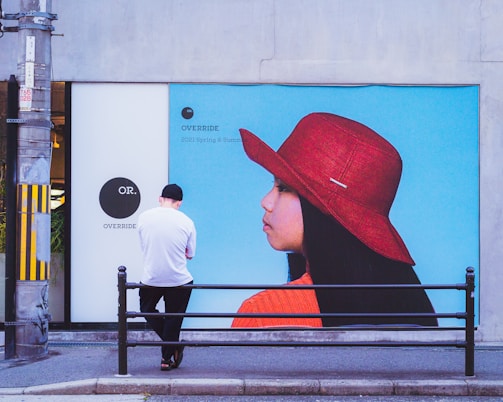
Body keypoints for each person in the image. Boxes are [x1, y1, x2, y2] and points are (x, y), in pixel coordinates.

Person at [231, 112, 437, 328]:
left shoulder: (264, 314)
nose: (266, 202)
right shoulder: (415, 313)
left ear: (321, 212)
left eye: (283, 188)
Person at [138, 183, 197, 370]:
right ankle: (167, 357)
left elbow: (144, 245)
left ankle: (170, 353)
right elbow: (191, 253)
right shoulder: (187, 222)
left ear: (160, 198)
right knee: (173, 318)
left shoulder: (144, 218)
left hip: (151, 278)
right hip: (179, 279)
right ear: (179, 203)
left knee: (147, 309)